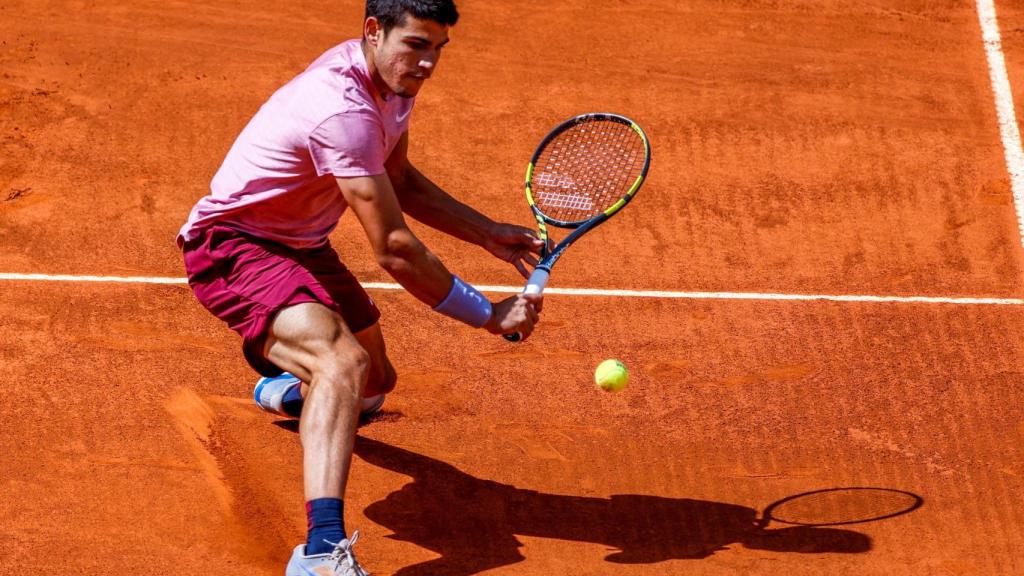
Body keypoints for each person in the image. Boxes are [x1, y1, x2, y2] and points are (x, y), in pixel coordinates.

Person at [177, 1, 543, 573]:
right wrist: (489, 315)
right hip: (233, 245)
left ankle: (295, 392)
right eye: (416, 46)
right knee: (341, 362)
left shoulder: (390, 82)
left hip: (301, 243)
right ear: (374, 31)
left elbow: (396, 177)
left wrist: (485, 232)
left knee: (374, 383)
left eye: (437, 50)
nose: (427, 64)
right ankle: (321, 551)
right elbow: (395, 247)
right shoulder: (340, 110)